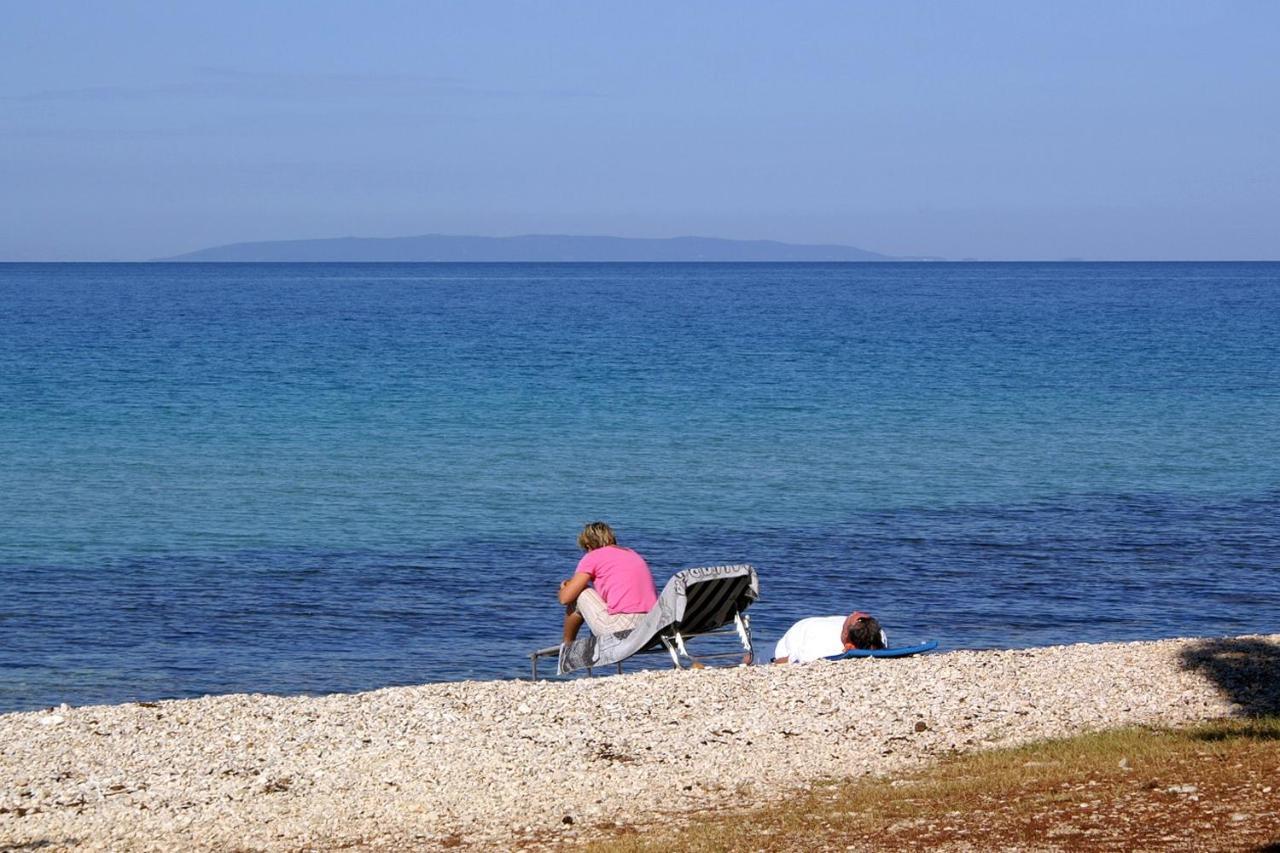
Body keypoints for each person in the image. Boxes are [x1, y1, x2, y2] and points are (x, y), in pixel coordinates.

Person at [558, 521, 658, 644]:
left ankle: (567, 646)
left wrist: (565, 587)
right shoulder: (632, 554)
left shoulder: (593, 556)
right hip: (651, 627)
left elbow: (565, 599)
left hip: (621, 628)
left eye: (585, 549)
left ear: (588, 545)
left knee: (580, 592)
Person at [771, 611, 886, 664]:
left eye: (850, 619)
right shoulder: (878, 634)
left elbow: (785, 661)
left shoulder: (819, 648)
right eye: (861, 617)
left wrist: (773, 662)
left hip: (795, 635)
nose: (855, 612)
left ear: (845, 637)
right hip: (816, 625)